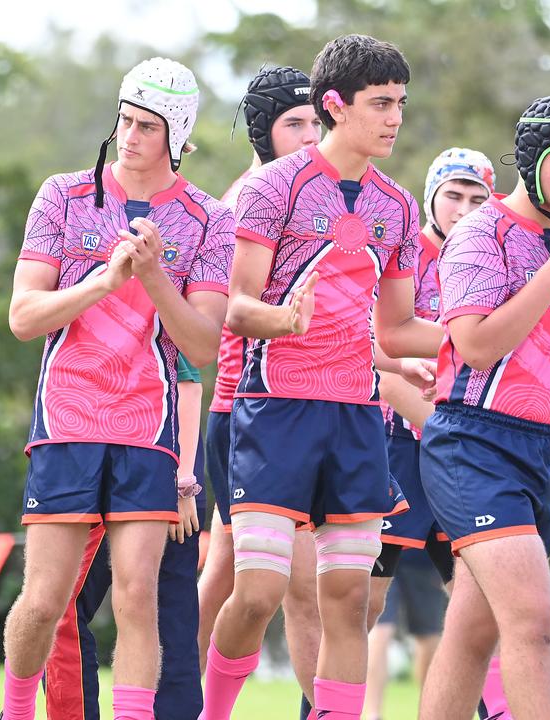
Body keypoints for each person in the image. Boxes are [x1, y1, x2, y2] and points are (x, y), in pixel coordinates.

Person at [200, 34, 443, 720]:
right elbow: (237, 306)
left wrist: (464, 341)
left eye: (400, 103)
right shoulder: (272, 188)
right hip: (273, 411)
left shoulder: (395, 205)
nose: (395, 118)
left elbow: (394, 328)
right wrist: (279, 321)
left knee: (346, 599)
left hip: (357, 419)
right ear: (334, 105)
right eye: (380, 104)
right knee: (257, 592)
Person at [3, 56, 233, 720]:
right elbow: (22, 317)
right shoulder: (63, 195)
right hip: (67, 420)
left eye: (146, 126)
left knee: (137, 595)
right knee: (45, 599)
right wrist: (103, 282)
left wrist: (155, 276)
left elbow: (206, 345)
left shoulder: (209, 218)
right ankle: (18, 710)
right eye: (125, 120)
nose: (129, 136)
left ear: (178, 136)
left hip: (147, 429)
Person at [418, 96, 550, 720]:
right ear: (532, 162)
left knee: (472, 633)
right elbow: (476, 347)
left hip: (539, 447)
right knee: (534, 625)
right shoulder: (480, 233)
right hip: (472, 444)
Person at [197, 65, 324, 711]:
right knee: (299, 585)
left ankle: (176, 701)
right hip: (250, 412)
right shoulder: (252, 197)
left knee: (226, 577)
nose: (308, 137)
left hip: (301, 409)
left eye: (314, 123)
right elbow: (228, 319)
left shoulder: (316, 192)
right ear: (260, 131)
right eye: (292, 123)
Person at [366, 147, 497, 720]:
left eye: (478, 200)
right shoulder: (405, 255)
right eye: (454, 196)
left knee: (488, 604)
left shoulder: (497, 260)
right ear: (431, 197)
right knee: (359, 605)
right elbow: (379, 359)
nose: (465, 210)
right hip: (396, 447)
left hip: (464, 454)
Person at [43, 352, 207, 720]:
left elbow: (189, 381)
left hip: (145, 463)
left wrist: (182, 481)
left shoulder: (157, 295)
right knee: (164, 613)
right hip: (130, 459)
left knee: (63, 606)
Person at [363, 551, 446, 720]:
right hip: (389, 549)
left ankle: (429, 711)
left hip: (423, 556)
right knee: (380, 631)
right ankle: (373, 715)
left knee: (427, 636)